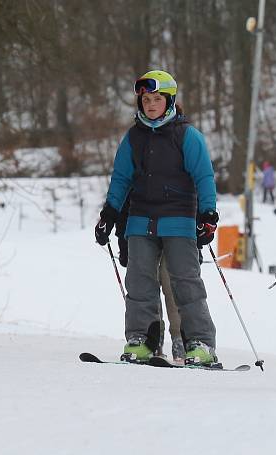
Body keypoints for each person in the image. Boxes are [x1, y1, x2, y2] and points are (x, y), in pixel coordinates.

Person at [94, 70, 220, 366]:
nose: (150, 105)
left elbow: (204, 177)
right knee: (139, 283)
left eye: (156, 99)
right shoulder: (133, 137)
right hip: (140, 220)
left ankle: (200, 343)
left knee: (185, 283)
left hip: (179, 220)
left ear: (170, 100)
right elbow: (121, 178)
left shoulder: (186, 135)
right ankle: (142, 341)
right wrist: (109, 213)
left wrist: (208, 214)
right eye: (146, 99)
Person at [116, 198, 186, 363]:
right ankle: (154, 340)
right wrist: (123, 240)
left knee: (171, 284)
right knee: (147, 284)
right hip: (142, 228)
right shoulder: (138, 173)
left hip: (175, 226)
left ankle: (179, 340)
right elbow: (125, 204)